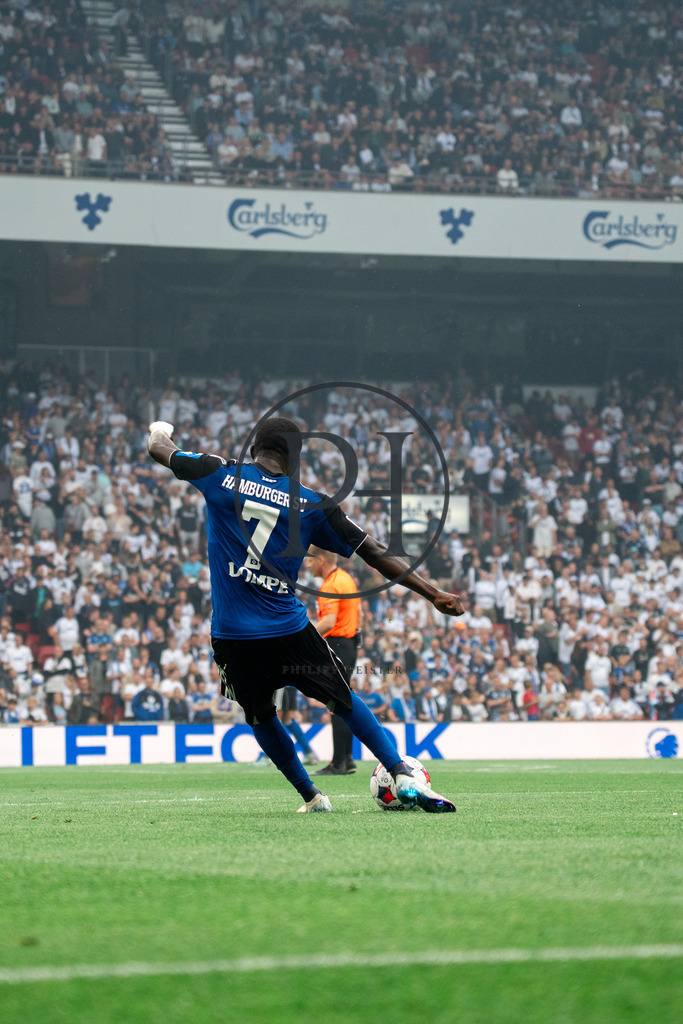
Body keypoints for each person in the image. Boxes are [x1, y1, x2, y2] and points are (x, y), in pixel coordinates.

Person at [148, 416, 464, 813]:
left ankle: (313, 797)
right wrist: (432, 592)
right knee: (343, 700)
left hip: (233, 635)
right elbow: (374, 551)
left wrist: (160, 430)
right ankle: (401, 771)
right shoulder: (313, 503)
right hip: (289, 630)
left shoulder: (218, 473)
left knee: (260, 714)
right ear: (295, 457)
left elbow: (160, 449)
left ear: (253, 449)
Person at [306, 545, 361, 776]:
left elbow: (328, 622)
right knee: (344, 700)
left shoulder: (330, 585)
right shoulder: (346, 579)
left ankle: (338, 762)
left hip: (337, 644)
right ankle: (346, 758)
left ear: (321, 560)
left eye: (309, 561)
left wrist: (304, 638)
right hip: (348, 643)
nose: (307, 565)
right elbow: (360, 615)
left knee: (337, 703)